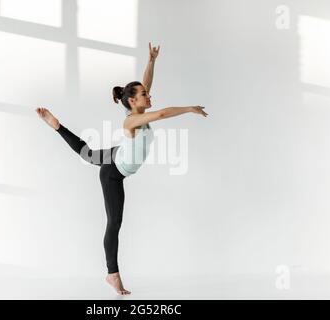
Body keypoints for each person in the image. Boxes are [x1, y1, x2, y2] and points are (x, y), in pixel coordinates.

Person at [36, 43, 208, 295]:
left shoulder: (134, 107)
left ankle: (57, 125)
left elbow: (145, 84)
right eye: (144, 95)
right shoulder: (132, 119)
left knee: (87, 152)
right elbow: (160, 115)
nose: (149, 96)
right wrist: (189, 109)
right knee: (114, 221)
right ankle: (112, 274)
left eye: (147, 94)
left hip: (119, 153)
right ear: (132, 100)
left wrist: (151, 61)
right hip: (114, 172)